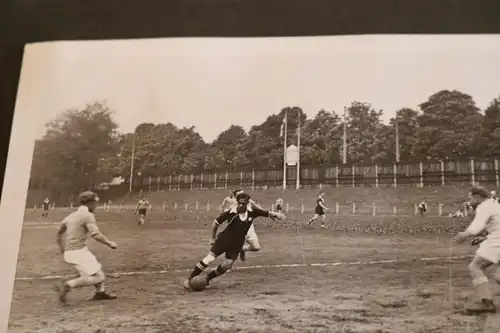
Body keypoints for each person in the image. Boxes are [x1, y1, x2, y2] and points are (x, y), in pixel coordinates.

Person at [183, 192, 285, 290]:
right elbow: (215, 223)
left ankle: (207, 278)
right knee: (209, 258)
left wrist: (278, 215)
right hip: (225, 239)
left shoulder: (252, 211)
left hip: (238, 243)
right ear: (237, 202)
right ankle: (190, 278)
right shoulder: (231, 213)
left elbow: (267, 213)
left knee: (227, 264)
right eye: (239, 203)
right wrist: (212, 238)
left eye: (243, 203)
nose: (241, 205)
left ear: (247, 203)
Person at [54, 191, 118, 304]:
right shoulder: (88, 215)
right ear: (90, 203)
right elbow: (95, 234)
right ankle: (67, 284)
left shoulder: (70, 216)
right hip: (78, 251)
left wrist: (62, 249)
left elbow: (58, 234)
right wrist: (110, 243)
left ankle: (100, 293)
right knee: (99, 277)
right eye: (96, 203)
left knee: (97, 268)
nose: (96, 206)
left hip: (72, 251)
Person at [453, 186, 500, 314]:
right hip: (495, 238)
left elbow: (477, 226)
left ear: (478, 197)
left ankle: (487, 304)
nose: (469, 201)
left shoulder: (484, 207)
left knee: (475, 267)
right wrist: (484, 238)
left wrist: (465, 234)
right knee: (498, 276)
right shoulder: (494, 204)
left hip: (497, 241)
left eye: (470, 198)